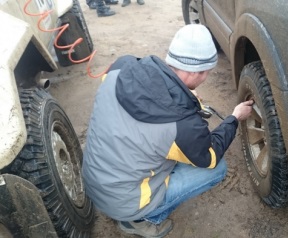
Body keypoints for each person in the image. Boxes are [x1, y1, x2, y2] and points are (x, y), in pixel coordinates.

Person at [82, 24, 253, 238]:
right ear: (198, 72)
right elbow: (209, 156)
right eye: (207, 72)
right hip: (124, 203)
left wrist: (188, 100)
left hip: (95, 179)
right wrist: (234, 118)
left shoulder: (121, 66)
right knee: (217, 169)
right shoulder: (182, 127)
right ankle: (138, 220)